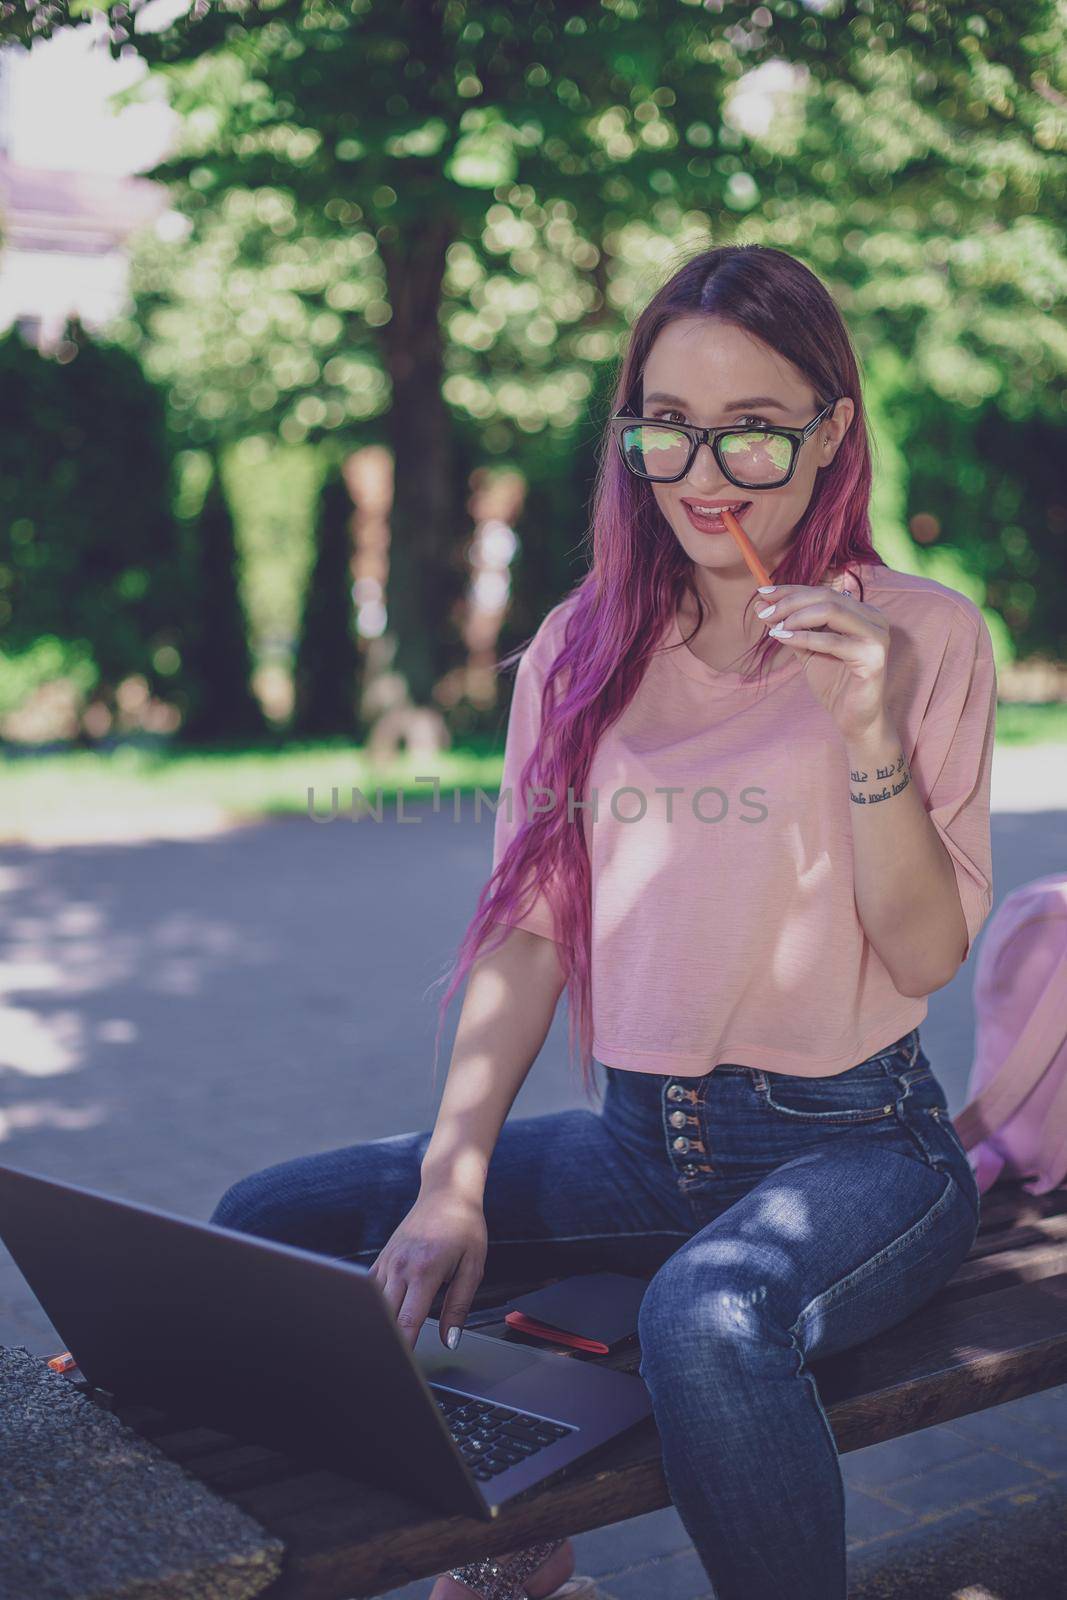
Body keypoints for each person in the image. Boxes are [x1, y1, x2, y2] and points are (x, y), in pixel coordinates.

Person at [207, 244, 994, 1600]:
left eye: (753, 434)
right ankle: (513, 1551)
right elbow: (528, 932)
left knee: (711, 1313)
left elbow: (924, 954)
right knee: (270, 1224)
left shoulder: (922, 638)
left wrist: (869, 732)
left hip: (861, 1148)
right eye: (669, 428)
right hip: (640, 1147)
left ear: (830, 434)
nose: (702, 476)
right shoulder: (582, 646)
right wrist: (452, 1176)